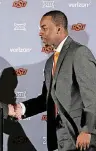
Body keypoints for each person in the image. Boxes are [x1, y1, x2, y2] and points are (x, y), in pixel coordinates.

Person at [14, 10, 96, 151]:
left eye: (44, 28)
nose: (40, 33)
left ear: (58, 29)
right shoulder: (50, 63)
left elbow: (92, 96)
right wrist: (21, 108)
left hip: (80, 138)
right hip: (58, 140)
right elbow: (46, 100)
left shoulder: (79, 53)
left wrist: (87, 130)